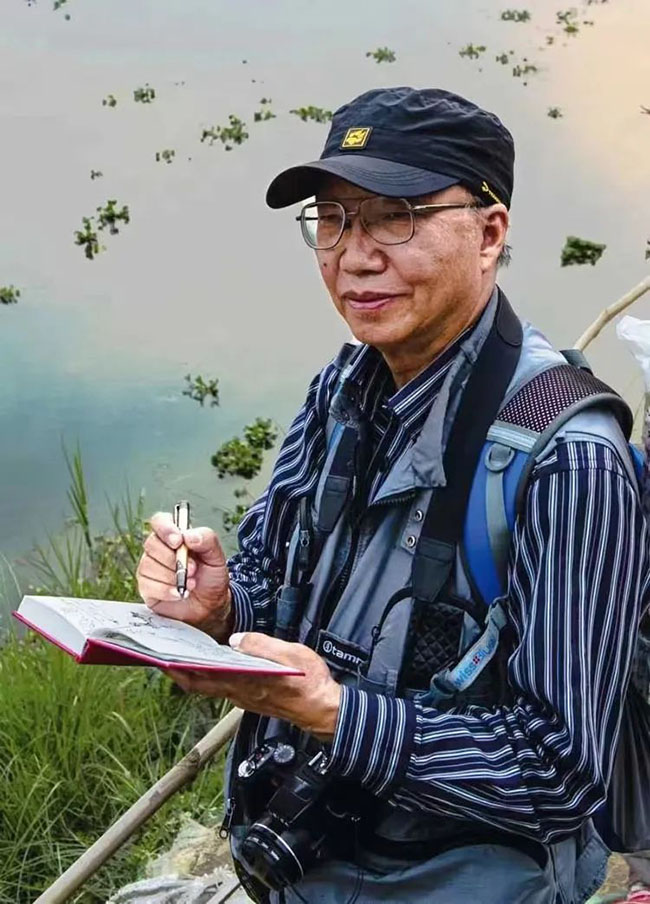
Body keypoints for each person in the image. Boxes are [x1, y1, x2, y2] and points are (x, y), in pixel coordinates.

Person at [136, 87, 650, 904]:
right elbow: (275, 580)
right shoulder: (342, 387)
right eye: (332, 219)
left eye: (395, 217)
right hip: (304, 858)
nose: (354, 256)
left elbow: (557, 772)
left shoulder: (569, 459)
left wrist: (337, 714)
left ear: (490, 234)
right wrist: (222, 606)